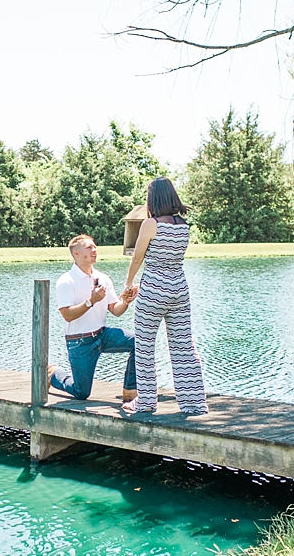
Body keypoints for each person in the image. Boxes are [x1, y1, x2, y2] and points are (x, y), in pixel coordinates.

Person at [120, 177, 208, 415]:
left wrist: (129, 283)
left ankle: (146, 402)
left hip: (154, 291)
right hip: (179, 289)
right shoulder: (183, 225)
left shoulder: (151, 224)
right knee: (184, 347)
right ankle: (194, 402)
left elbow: (137, 257)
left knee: (145, 346)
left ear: (154, 198)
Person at [49, 234, 138, 402]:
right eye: (89, 247)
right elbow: (67, 315)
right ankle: (53, 374)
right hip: (79, 342)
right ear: (76, 253)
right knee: (82, 393)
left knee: (139, 342)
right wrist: (91, 301)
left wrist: (126, 300)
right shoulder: (66, 281)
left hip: (102, 335)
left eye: (95, 247)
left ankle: (130, 390)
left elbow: (116, 310)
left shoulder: (103, 278)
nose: (94, 250)